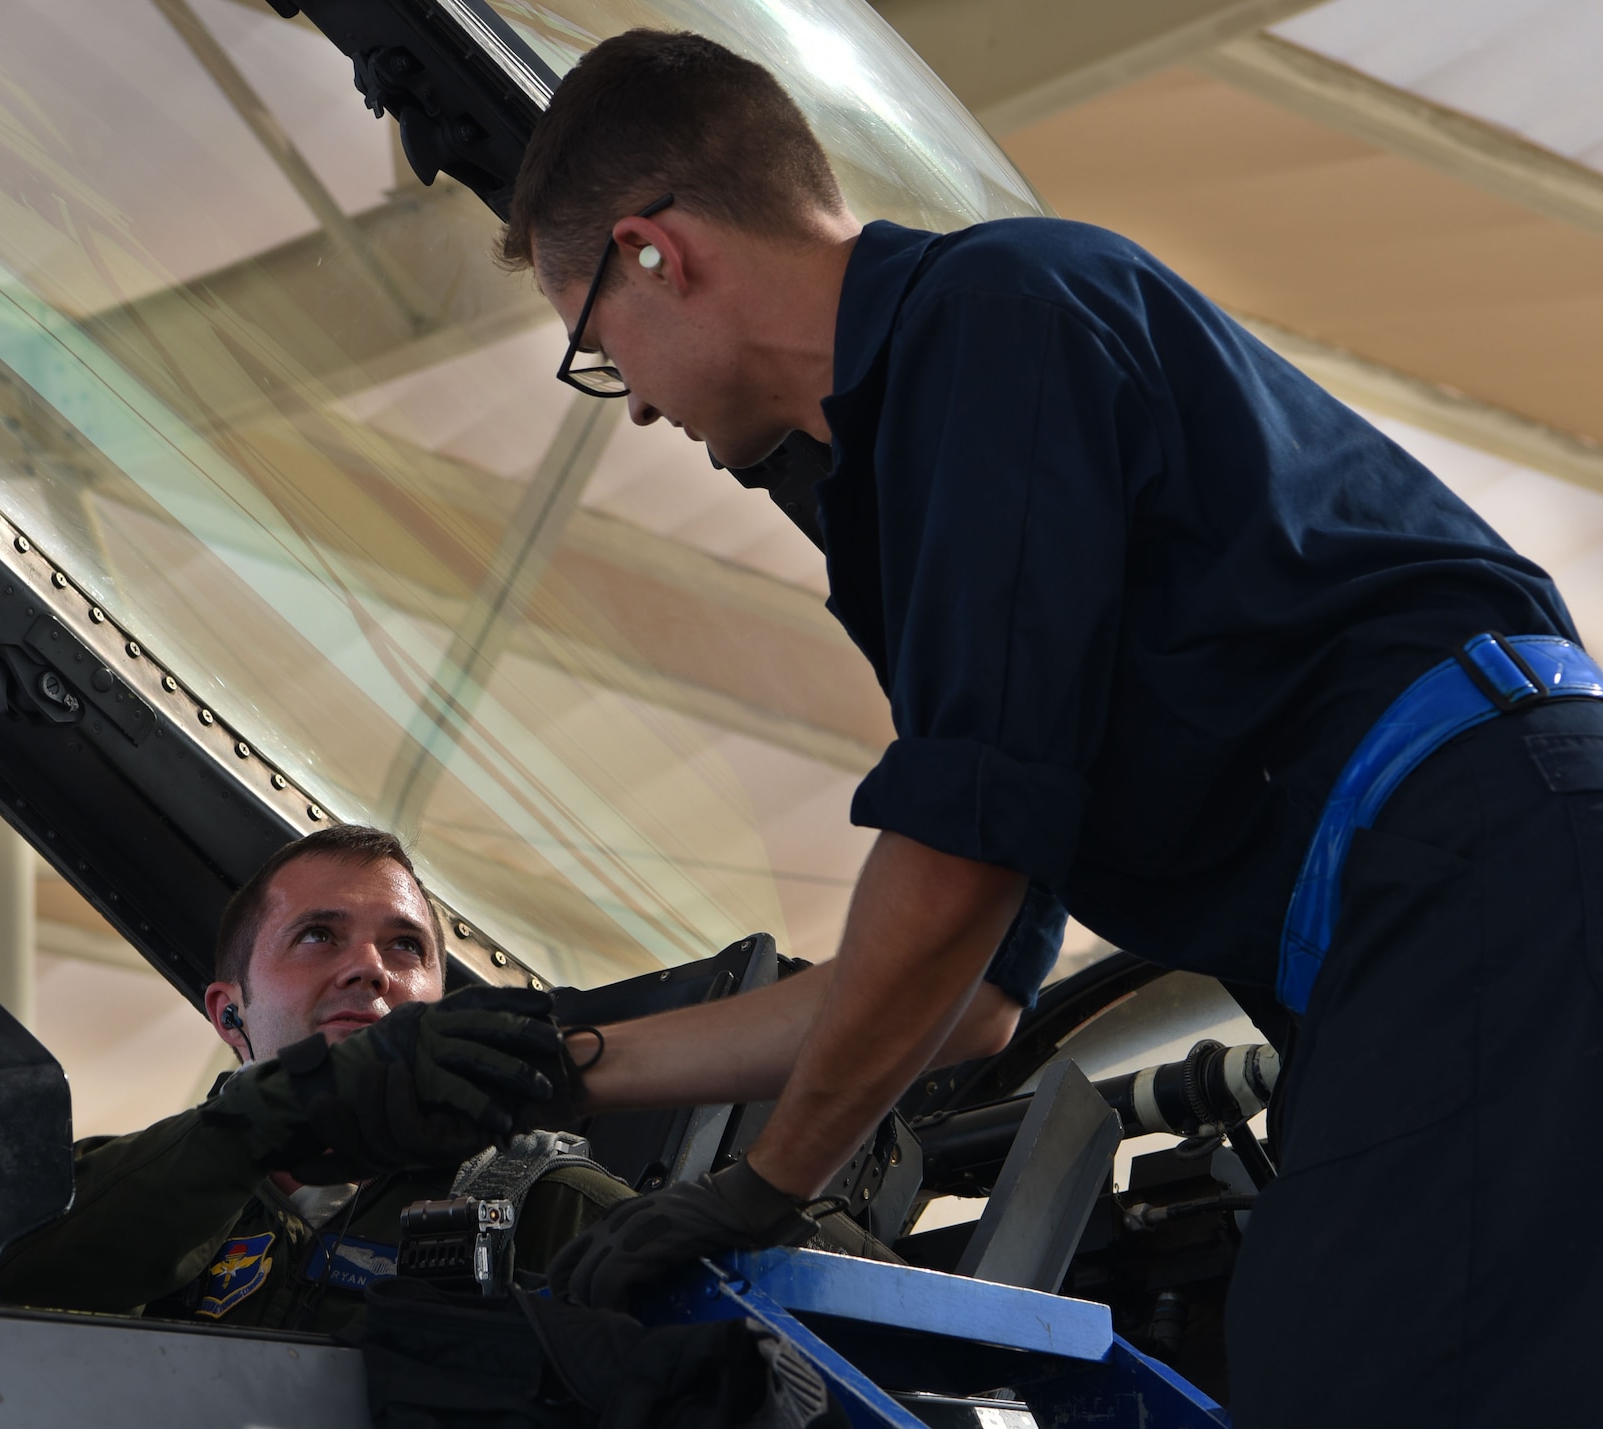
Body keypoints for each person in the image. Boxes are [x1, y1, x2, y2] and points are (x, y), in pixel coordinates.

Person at [502, 29, 1603, 1426]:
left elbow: (954, 867)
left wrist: (768, 1182)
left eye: (599, 348)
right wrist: (567, 1065)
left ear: (656, 252)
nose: (639, 404)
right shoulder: (902, 486)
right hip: (1459, 899)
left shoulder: (997, 317)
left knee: (1363, 1369)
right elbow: (971, 993)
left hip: (1486, 864)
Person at [0, 825, 626, 1333]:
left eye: (406, 946)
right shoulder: (107, 1189)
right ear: (228, 1011)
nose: (370, 969)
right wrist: (255, 1125)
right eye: (319, 935)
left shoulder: (557, 1212)